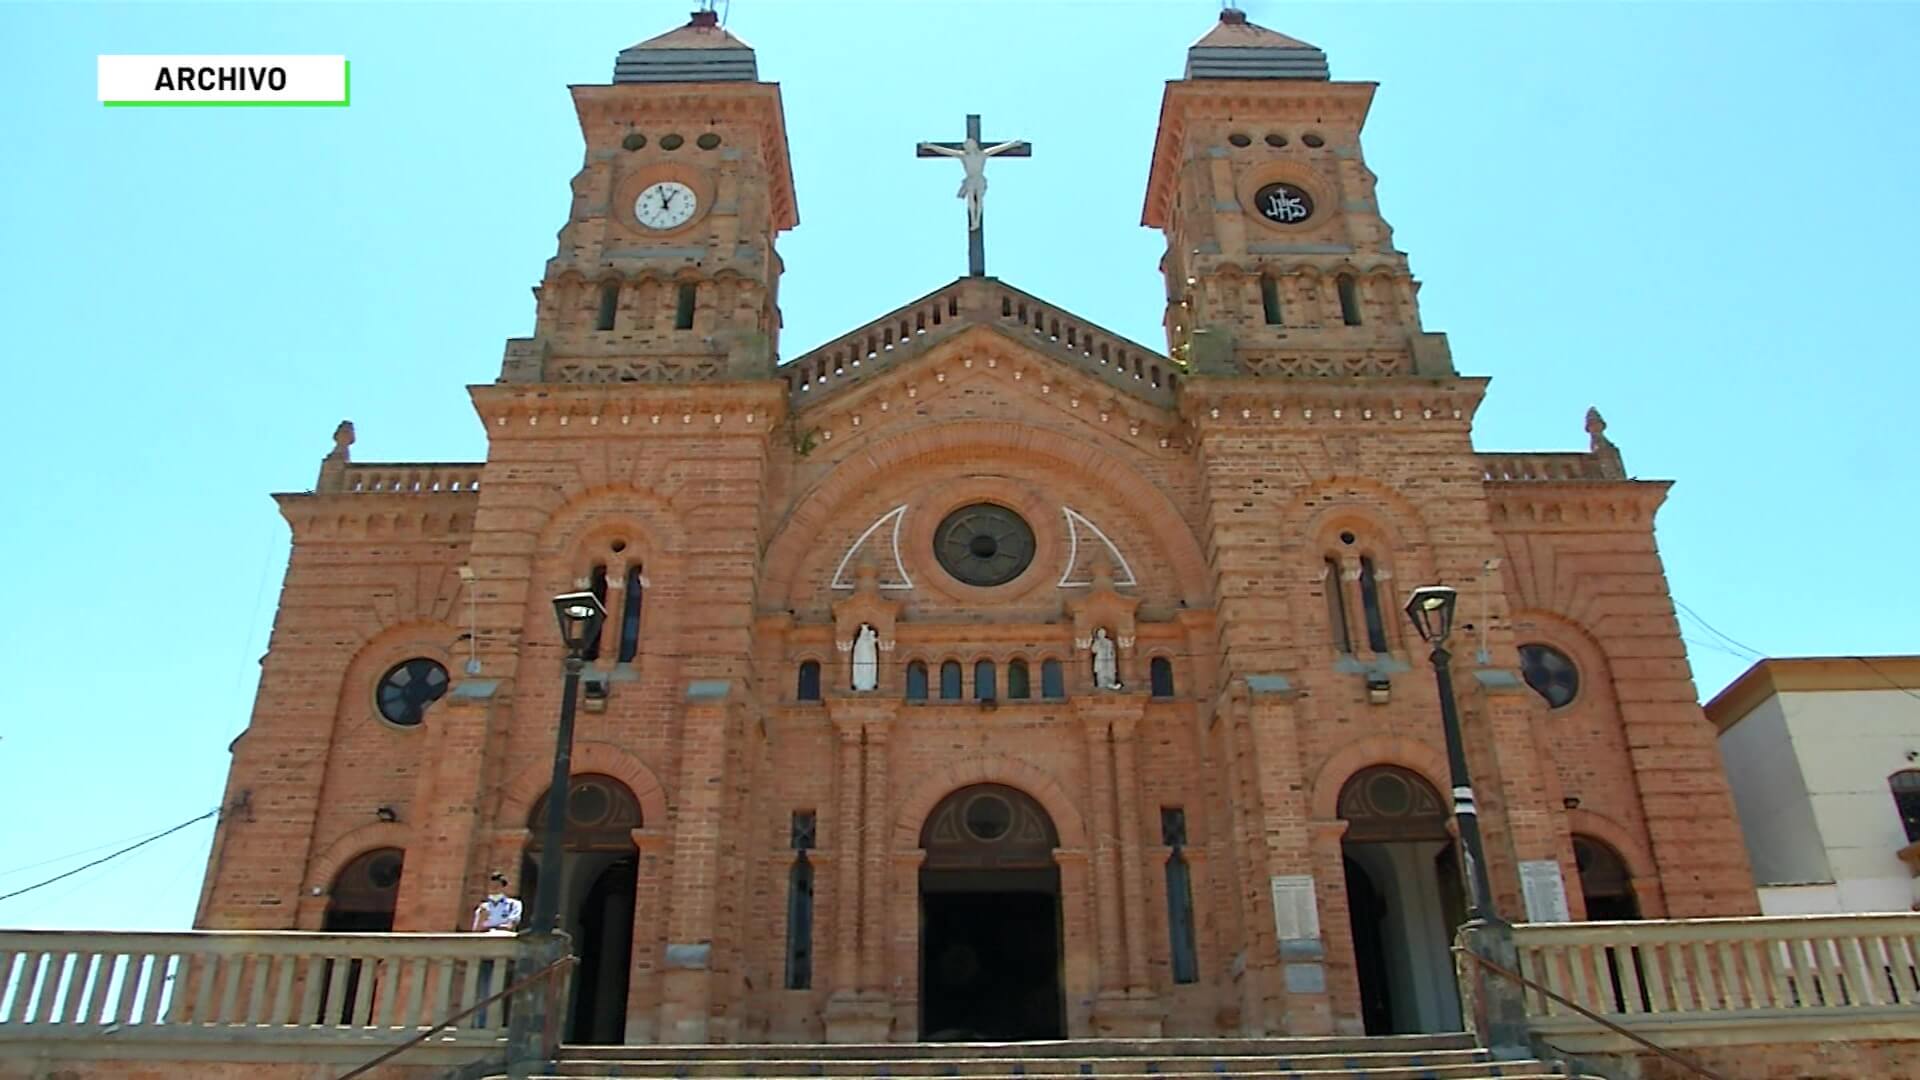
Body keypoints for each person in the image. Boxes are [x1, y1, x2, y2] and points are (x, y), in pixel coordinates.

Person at [470, 873, 521, 1026]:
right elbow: (476, 930)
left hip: (504, 948)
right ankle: (481, 1024)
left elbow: (510, 925)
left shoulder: (513, 904)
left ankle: (500, 1023)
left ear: (503, 886)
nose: (493, 888)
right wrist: (484, 921)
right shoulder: (483, 907)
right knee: (483, 989)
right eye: (491, 885)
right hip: (485, 948)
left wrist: (490, 925)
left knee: (504, 987)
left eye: (497, 884)